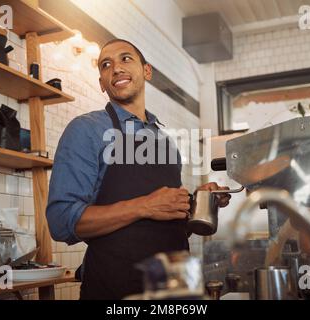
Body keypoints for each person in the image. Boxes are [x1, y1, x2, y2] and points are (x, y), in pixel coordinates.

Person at [46, 39, 230, 300]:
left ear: (147, 71)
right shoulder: (86, 130)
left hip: (176, 289)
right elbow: (61, 221)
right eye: (106, 65)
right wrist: (144, 206)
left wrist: (196, 203)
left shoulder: (167, 143)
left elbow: (168, 224)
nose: (116, 68)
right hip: (117, 289)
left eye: (125, 59)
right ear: (101, 83)